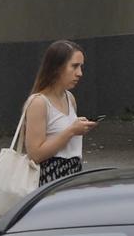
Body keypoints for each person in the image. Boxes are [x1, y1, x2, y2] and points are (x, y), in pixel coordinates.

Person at [21, 41, 94, 187]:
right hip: (49, 178)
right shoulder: (39, 102)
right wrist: (72, 130)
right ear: (57, 68)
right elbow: (35, 154)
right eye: (74, 66)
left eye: (81, 66)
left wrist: (76, 126)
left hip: (73, 173)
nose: (80, 73)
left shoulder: (70, 98)